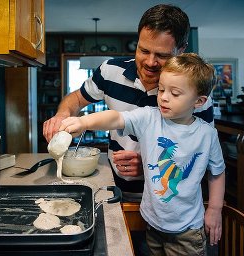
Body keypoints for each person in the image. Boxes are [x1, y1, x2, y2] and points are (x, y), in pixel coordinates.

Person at [57, 53, 224, 254]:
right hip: (152, 223)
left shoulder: (208, 134)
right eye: (161, 89)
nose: (163, 97)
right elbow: (116, 118)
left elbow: (217, 172)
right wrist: (84, 122)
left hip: (187, 229)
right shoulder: (149, 117)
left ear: (199, 101)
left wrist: (215, 209)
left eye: (175, 93)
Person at [42, 4, 214, 197]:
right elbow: (76, 99)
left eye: (162, 55)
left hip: (166, 197)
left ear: (181, 50)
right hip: (113, 188)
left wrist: (151, 164)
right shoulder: (109, 72)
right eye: (144, 50)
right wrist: (62, 115)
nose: (150, 62)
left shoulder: (192, 93)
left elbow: (202, 155)